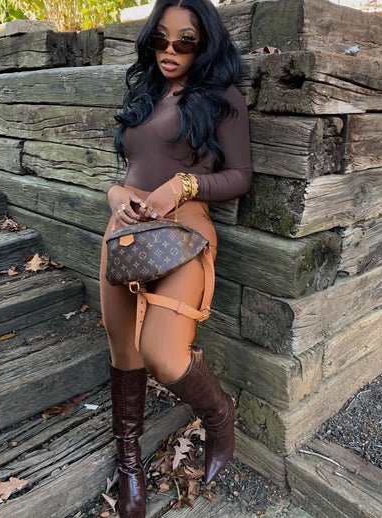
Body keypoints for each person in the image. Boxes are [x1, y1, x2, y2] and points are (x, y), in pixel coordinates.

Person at [99, 1, 252, 516]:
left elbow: (240, 176)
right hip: (126, 233)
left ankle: (219, 415)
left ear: (204, 44)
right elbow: (131, 169)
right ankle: (129, 463)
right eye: (160, 38)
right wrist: (115, 194)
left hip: (183, 233)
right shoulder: (145, 92)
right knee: (124, 351)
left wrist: (185, 185)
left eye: (185, 40)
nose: (170, 49)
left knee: (162, 353)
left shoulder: (220, 97)